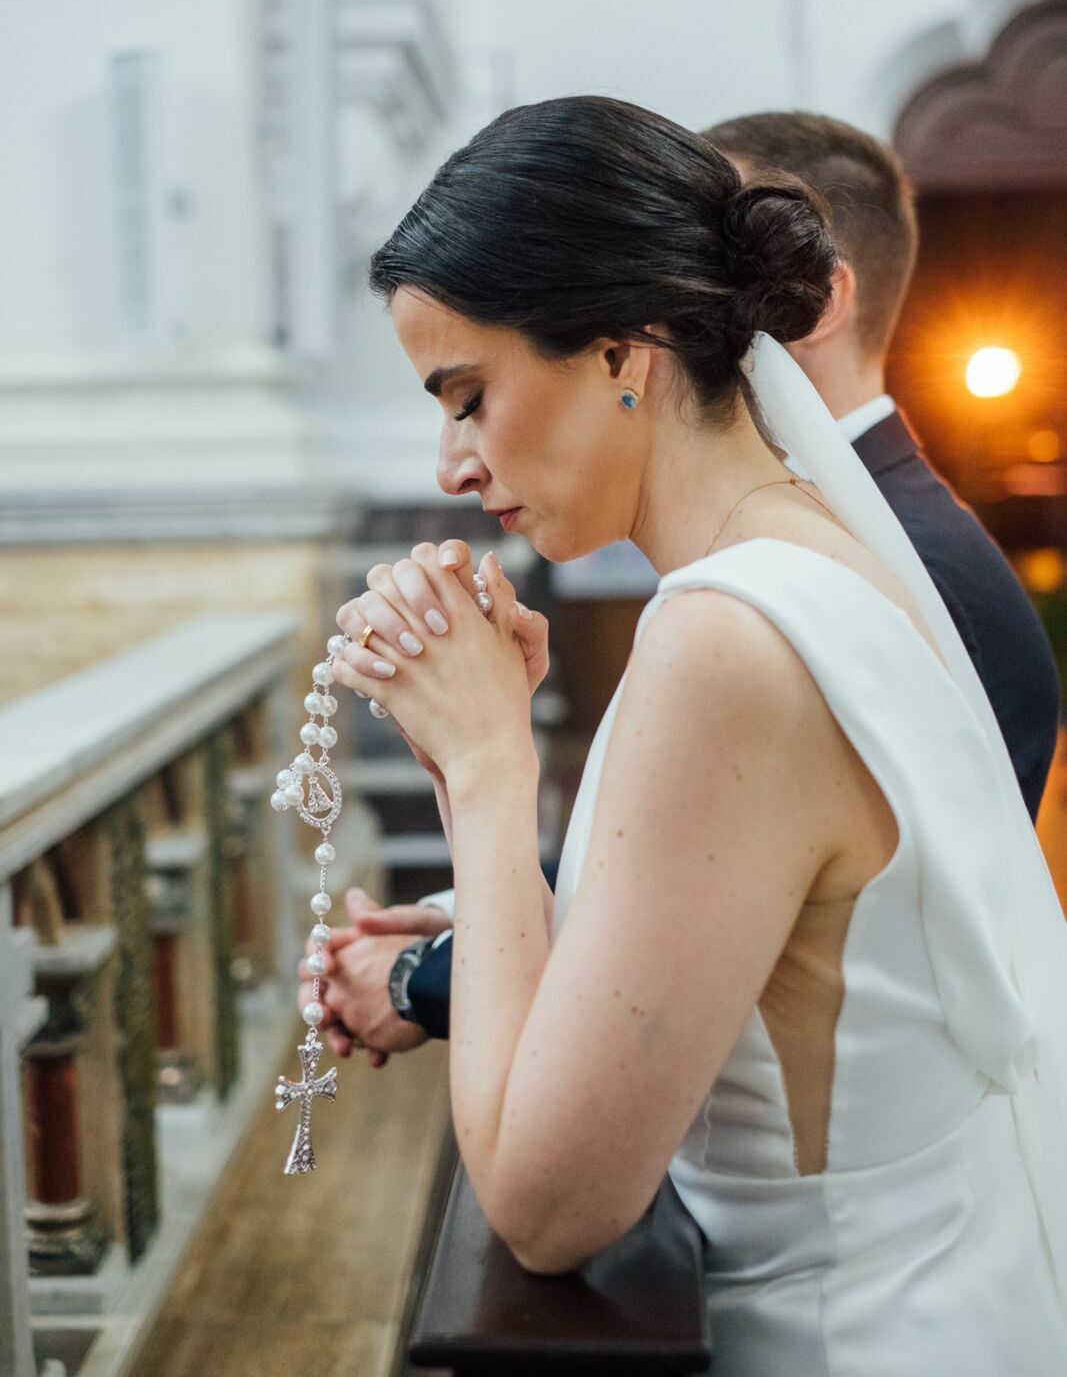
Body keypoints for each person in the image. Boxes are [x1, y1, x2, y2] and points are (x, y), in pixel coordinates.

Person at [307, 96, 1067, 1373]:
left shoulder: (724, 638)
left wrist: (487, 767)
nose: (450, 463)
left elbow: (546, 1206)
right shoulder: (809, 554)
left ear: (622, 350)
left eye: (469, 396)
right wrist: (469, 780)